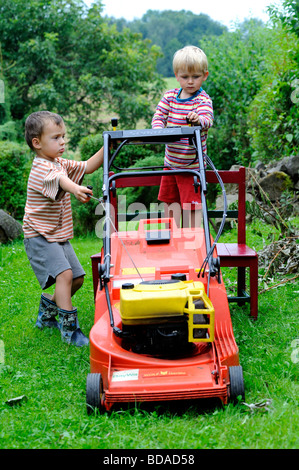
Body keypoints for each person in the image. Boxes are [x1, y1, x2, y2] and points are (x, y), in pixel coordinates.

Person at [23, 110, 103, 347]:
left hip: (56, 235)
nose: (63, 141)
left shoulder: (58, 162)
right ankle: (70, 331)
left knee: (76, 278)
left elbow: (87, 167)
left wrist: (109, 143)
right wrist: (75, 189)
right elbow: (60, 180)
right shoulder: (41, 167)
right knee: (65, 275)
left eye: (63, 136)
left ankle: (46, 316)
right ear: (37, 143)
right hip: (39, 235)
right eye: (56, 137)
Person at [152, 45, 213, 228]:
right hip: (170, 164)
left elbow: (207, 120)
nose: (190, 82)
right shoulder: (170, 97)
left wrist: (198, 120)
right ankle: (172, 243)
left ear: (205, 76)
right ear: (176, 75)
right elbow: (159, 116)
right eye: (185, 77)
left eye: (196, 77)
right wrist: (158, 130)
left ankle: (192, 243)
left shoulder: (202, 100)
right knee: (170, 205)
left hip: (192, 167)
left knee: (192, 210)